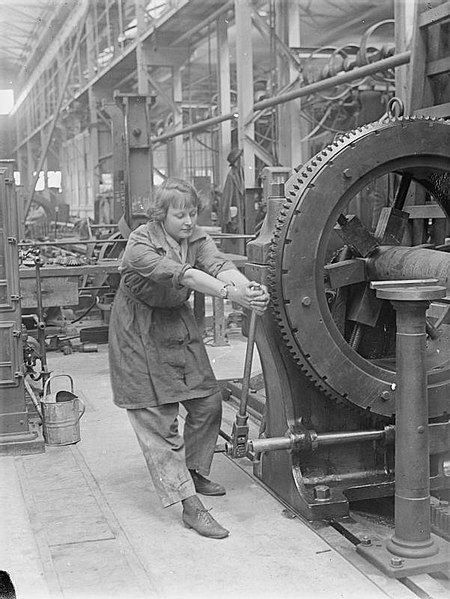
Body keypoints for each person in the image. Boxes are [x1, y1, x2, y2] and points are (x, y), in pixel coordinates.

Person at [108, 177, 270, 540]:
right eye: (180, 215)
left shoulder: (194, 238)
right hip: (139, 330)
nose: (188, 221)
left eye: (193, 213)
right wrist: (232, 295)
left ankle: (194, 471)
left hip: (176, 324)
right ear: (160, 214)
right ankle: (189, 505)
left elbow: (217, 264)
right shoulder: (140, 244)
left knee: (208, 402)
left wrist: (247, 288)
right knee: (158, 418)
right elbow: (187, 275)